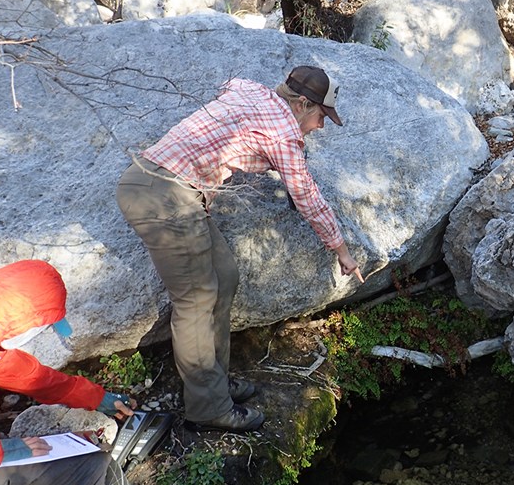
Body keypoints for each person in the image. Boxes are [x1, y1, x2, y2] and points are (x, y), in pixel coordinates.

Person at [117, 65, 364, 434]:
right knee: (197, 302)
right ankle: (207, 407)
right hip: (163, 196)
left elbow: (229, 82)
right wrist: (341, 250)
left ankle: (215, 382)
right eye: (320, 115)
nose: (321, 126)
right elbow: (307, 196)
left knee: (225, 278)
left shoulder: (251, 90)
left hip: (176, 193)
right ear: (300, 104)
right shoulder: (282, 133)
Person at [0, 259, 234, 485]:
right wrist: (7, 452)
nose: (37, 333)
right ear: (22, 318)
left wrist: (97, 398)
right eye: (40, 326)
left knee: (39, 484)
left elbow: (27, 375)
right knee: (88, 468)